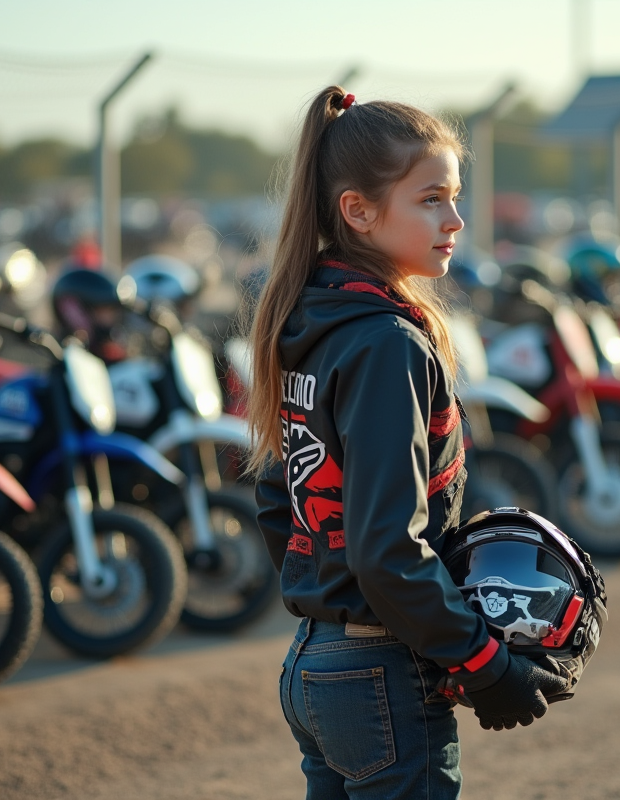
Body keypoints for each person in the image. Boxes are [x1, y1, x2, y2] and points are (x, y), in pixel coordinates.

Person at [247, 86, 568, 799]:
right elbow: (387, 547)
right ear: (357, 211)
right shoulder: (386, 344)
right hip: (378, 673)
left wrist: (330, 604)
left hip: (315, 664)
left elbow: (280, 499)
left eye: (455, 197)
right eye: (430, 199)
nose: (454, 219)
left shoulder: (313, 319)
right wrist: (483, 662)